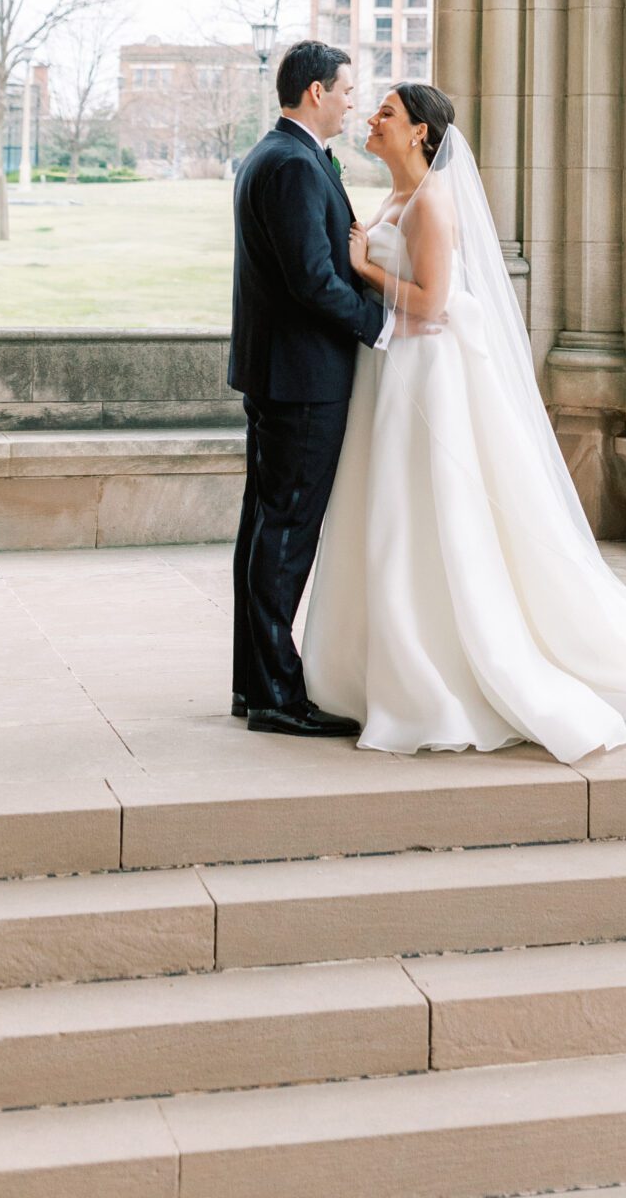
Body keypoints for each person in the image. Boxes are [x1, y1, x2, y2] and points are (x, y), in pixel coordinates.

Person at [301, 84, 626, 762]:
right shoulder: (395, 199)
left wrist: (364, 270)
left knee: (428, 511)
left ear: (421, 132)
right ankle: (376, 660)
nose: (372, 118)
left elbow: (433, 305)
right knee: (389, 513)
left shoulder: (434, 205)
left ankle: (445, 662)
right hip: (391, 373)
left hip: (427, 374)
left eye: (387, 112)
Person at [228, 40, 385, 736]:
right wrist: (380, 324)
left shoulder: (277, 154)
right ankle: (274, 696)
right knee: (285, 534)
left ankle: (253, 683)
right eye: (347, 89)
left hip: (279, 374)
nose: (353, 100)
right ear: (316, 92)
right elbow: (312, 281)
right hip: (301, 380)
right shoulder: (291, 164)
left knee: (265, 531)